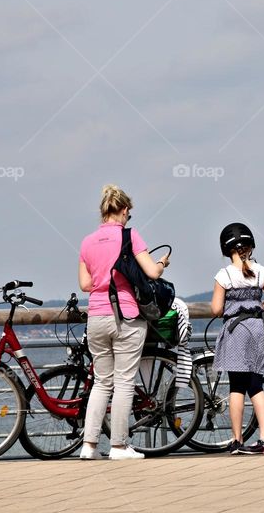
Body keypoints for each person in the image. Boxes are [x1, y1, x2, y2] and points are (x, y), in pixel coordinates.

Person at [77, 184, 170, 460]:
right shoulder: (130, 236)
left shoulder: (87, 241)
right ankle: (119, 446)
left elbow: (85, 283)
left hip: (96, 317)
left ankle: (89, 446)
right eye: (129, 213)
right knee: (124, 381)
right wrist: (163, 263)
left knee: (102, 383)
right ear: (125, 210)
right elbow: (152, 272)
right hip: (126, 317)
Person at [211, 222, 264, 455]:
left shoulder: (224, 275)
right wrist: (258, 305)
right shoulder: (262, 271)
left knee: (237, 387)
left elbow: (215, 309)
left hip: (235, 330)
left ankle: (236, 439)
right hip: (257, 327)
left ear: (226, 249)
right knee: (256, 385)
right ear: (250, 247)